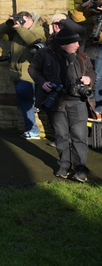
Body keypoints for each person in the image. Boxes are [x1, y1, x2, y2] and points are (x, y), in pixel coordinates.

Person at [29, 22, 95, 182]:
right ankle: (64, 166)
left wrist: (89, 79)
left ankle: (80, 170)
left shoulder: (82, 55)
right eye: (75, 43)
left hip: (78, 101)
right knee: (61, 135)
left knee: (79, 136)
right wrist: (42, 82)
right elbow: (33, 69)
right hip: (56, 101)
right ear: (64, 44)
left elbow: (92, 71)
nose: (78, 45)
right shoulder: (44, 54)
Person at [0, 12, 44, 139]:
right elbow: (0, 34)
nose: (22, 23)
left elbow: (33, 41)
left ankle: (34, 124)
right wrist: (9, 23)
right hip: (18, 72)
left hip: (30, 73)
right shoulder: (18, 31)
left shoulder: (39, 30)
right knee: (23, 100)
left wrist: (20, 28)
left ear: (31, 20)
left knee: (23, 92)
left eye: (24, 21)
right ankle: (32, 130)